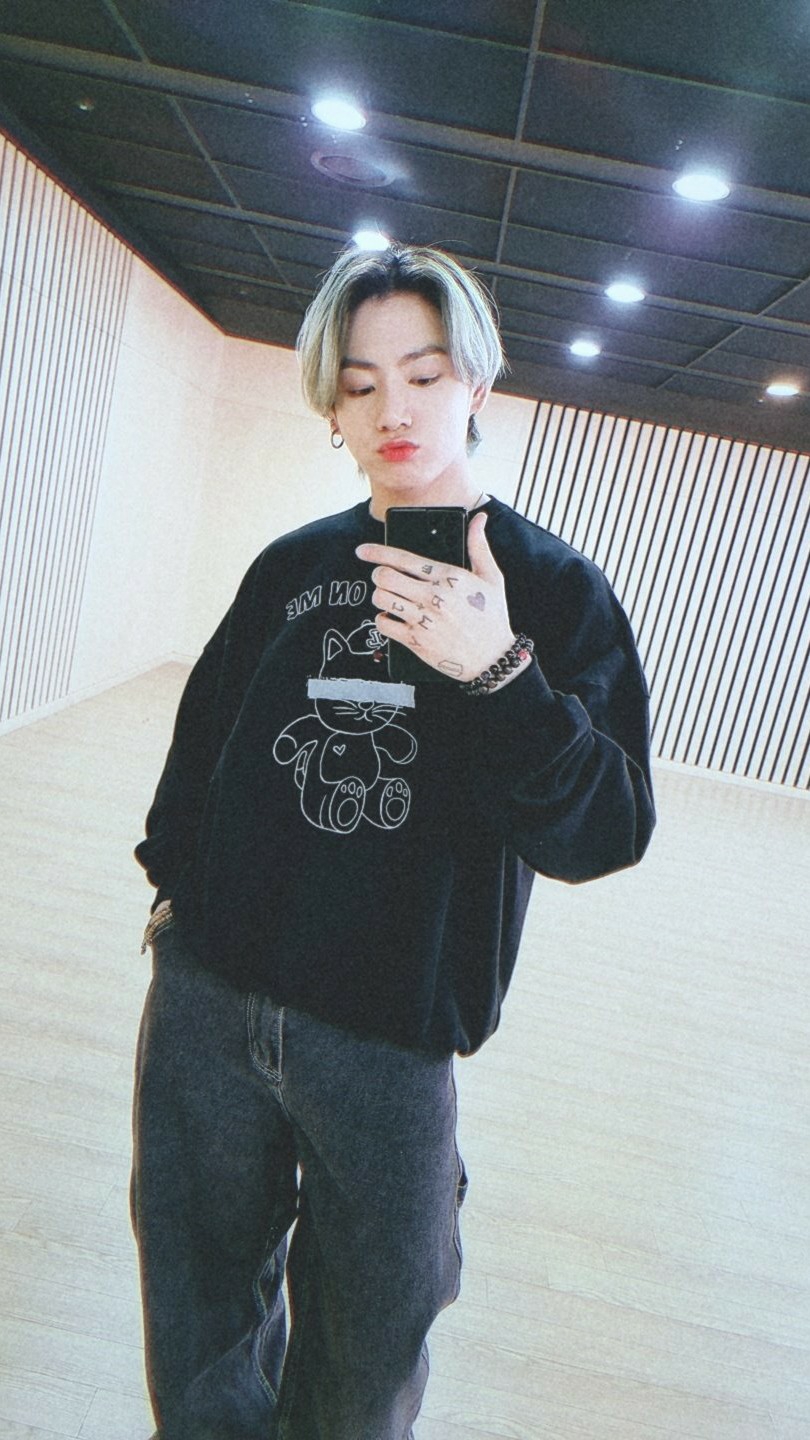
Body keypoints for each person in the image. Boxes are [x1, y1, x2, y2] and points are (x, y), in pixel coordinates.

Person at [131, 243, 655, 1440]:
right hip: (212, 1005)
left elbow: (607, 827)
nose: (393, 411)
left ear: (477, 384)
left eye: (422, 375)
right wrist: (173, 898)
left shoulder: (552, 592)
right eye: (360, 384)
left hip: (386, 1039)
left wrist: (500, 672)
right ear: (331, 405)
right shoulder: (292, 567)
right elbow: (203, 748)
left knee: (371, 1343)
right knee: (199, 1318)